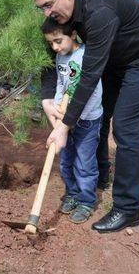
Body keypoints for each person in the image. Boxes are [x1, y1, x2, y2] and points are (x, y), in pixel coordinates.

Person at [31, 0, 139, 233]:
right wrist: (47, 98)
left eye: (48, 5)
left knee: (126, 127)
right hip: (116, 56)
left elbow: (89, 74)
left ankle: (127, 208)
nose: (47, 13)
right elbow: (48, 58)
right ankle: (99, 176)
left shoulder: (99, 11)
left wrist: (64, 127)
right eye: (41, 7)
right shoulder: (62, 14)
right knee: (99, 113)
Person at [41, 17, 102, 224]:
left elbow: (92, 93)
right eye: (51, 43)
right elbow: (61, 84)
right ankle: (73, 193)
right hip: (65, 118)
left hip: (87, 120)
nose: (55, 47)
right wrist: (58, 108)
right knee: (66, 160)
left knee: (84, 163)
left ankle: (86, 200)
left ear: (73, 34)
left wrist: (70, 118)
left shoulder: (87, 57)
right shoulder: (61, 57)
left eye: (58, 41)